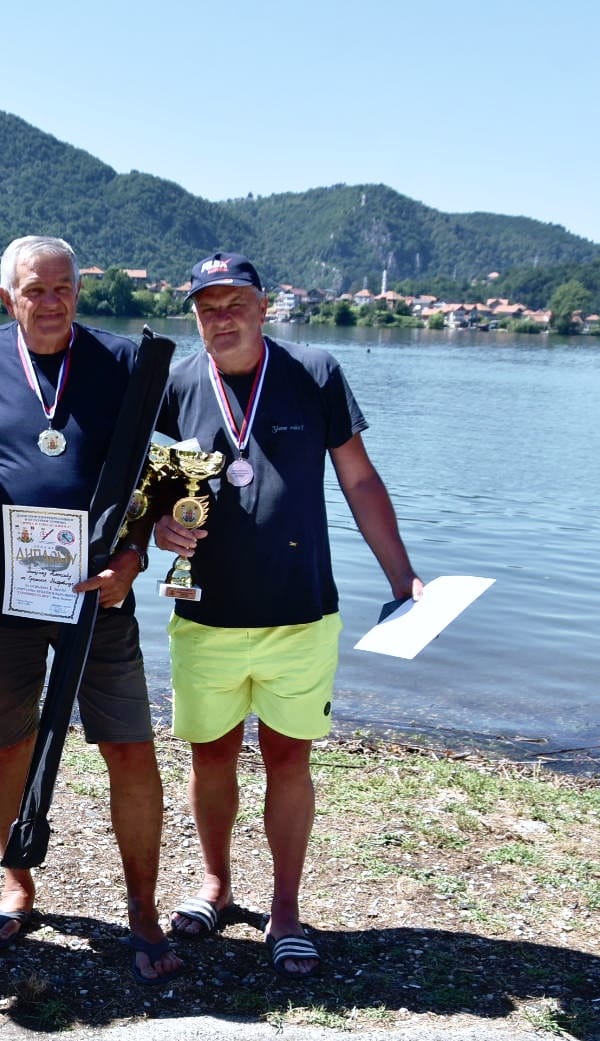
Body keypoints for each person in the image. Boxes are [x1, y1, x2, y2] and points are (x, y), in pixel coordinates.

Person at [153, 253, 423, 976]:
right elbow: (150, 484)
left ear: (264, 306)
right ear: (196, 315)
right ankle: (215, 883)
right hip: (207, 614)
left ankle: (284, 907)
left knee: (288, 760)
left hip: (301, 611)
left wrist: (404, 575)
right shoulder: (179, 383)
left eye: (235, 300)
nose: (222, 315)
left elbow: (360, 479)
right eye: (207, 305)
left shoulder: (317, 372)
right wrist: (157, 528)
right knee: (209, 756)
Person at [0, 235, 182, 985]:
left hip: (98, 593)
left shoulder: (123, 363)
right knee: (8, 746)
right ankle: (18, 882)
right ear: (7, 295)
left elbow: (169, 472)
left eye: (63, 289)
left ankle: (142, 907)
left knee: (129, 747)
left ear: (80, 291)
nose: (49, 303)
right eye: (33, 290)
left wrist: (134, 557)